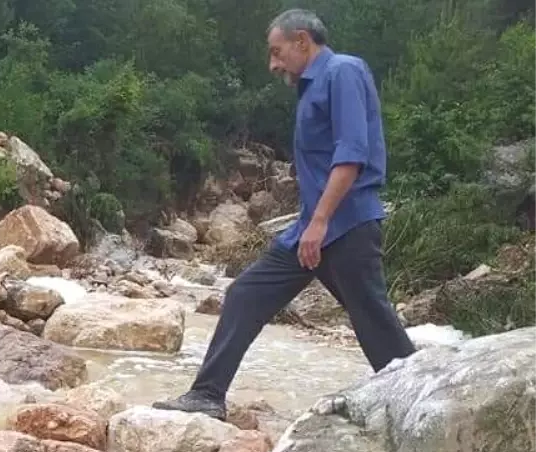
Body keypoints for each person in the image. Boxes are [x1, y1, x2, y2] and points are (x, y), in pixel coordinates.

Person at [154, 9, 416, 421]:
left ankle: (422, 403)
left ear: (301, 41)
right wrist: (311, 223)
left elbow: (352, 155)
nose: (273, 64)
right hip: (314, 228)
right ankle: (207, 395)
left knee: (374, 323)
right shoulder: (311, 88)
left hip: (345, 227)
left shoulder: (343, 72)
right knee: (245, 294)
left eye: (277, 52)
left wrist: (320, 221)